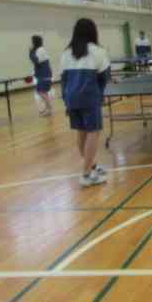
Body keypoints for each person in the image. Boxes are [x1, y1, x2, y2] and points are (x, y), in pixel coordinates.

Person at [61, 18, 110, 188]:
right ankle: (86, 174)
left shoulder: (66, 53)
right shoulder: (99, 51)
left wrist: (66, 101)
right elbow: (104, 78)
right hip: (89, 97)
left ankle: (93, 166)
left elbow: (63, 80)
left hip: (71, 98)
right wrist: (99, 95)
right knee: (93, 133)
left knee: (81, 133)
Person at [29, 35, 53, 117]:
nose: (31, 43)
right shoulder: (39, 50)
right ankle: (47, 108)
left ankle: (49, 108)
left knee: (40, 91)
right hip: (43, 74)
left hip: (44, 75)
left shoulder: (40, 50)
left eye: (32, 41)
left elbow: (36, 61)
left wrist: (31, 53)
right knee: (44, 92)